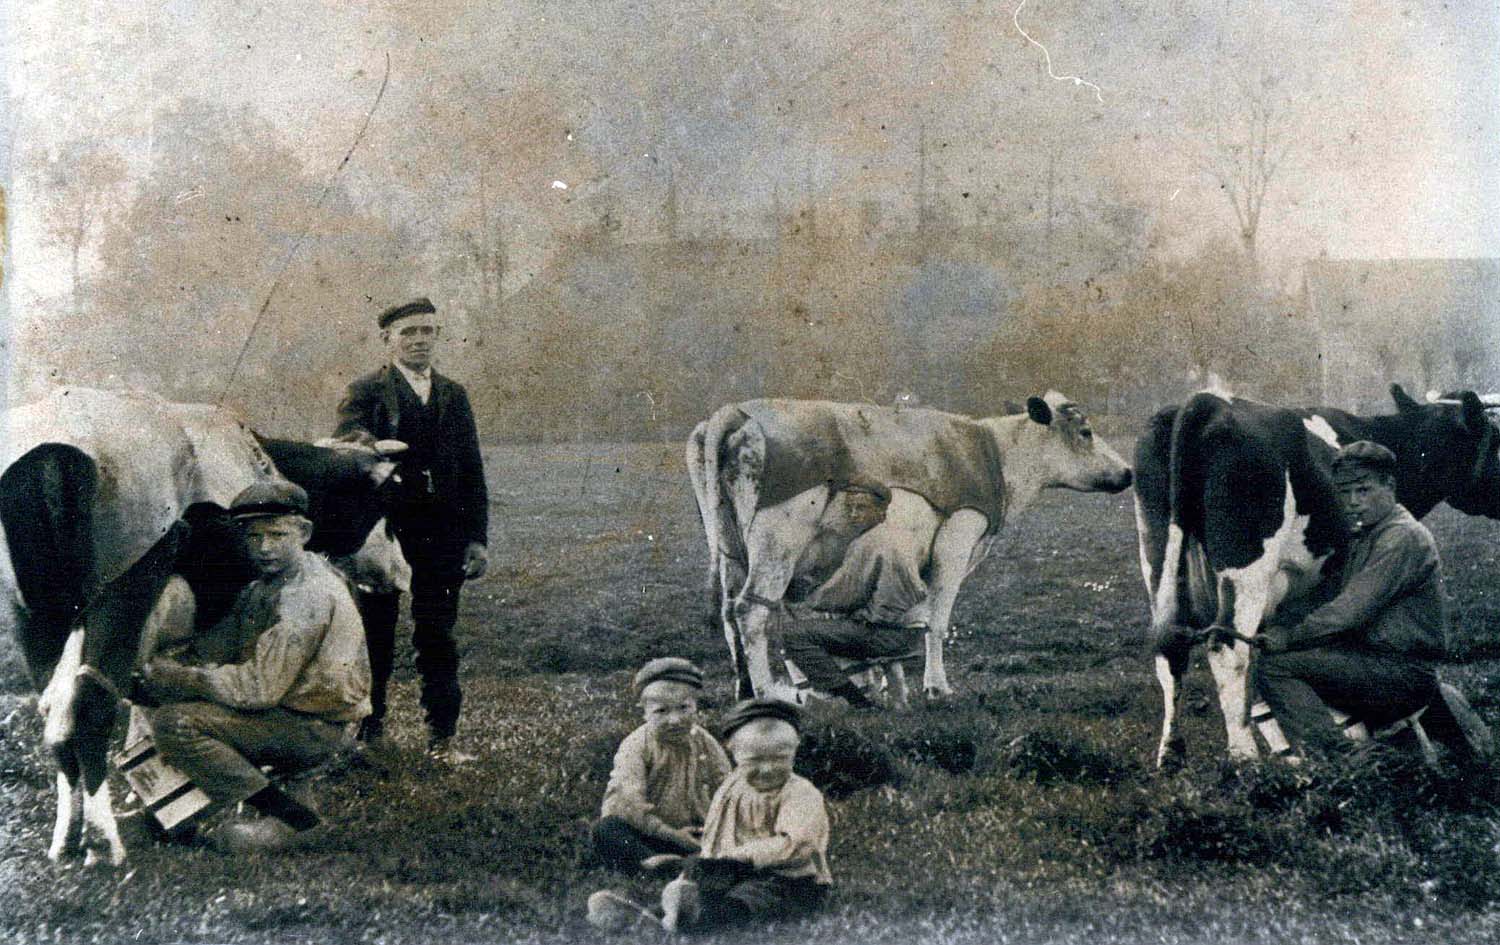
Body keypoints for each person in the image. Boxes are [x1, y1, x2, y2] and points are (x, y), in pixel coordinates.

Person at [137, 481, 372, 853]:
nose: (264, 548)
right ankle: (173, 814)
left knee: (176, 724)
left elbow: (259, 689)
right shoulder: (270, 584)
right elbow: (230, 646)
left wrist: (185, 678)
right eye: (253, 537)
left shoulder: (306, 597)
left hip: (312, 725)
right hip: (291, 712)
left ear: (304, 532)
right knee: (168, 706)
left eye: (278, 535)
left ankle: (293, 819)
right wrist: (170, 669)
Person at [1253, 441, 1490, 763]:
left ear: (1389, 486)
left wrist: (1289, 637)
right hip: (1378, 663)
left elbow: (1347, 612)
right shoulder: (1369, 535)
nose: (1352, 503)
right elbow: (1329, 595)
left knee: (1277, 668)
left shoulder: (1401, 538)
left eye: (1363, 491)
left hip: (1399, 673)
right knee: (1295, 657)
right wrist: (1276, 623)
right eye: (1345, 492)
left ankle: (1340, 759)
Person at [334, 297, 489, 762]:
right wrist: (372, 444)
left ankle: (443, 738)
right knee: (374, 635)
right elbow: (345, 442)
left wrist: (477, 537)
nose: (420, 340)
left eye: (428, 331)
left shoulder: (453, 394)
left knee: (438, 636)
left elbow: (471, 469)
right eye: (409, 333)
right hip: (383, 532)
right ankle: (369, 732)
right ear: (388, 340)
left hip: (442, 534)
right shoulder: (365, 391)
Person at [588, 698, 831, 934]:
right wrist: (708, 861)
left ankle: (700, 921)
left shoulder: (800, 794)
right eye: (754, 760)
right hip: (735, 867)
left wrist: (740, 857)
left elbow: (797, 846)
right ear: (733, 751)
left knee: (753, 896)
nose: (767, 768)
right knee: (701, 884)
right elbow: (718, 830)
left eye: (780, 758)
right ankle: (651, 915)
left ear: (794, 749)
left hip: (791, 877)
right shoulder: (732, 788)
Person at [783, 483, 937, 709]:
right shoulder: (903, 535)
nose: (854, 515)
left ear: (881, 511)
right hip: (913, 630)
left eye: (862, 508)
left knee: (793, 635)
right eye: (850, 508)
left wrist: (808, 594)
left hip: (886, 632)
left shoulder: (867, 543)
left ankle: (855, 701)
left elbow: (845, 593)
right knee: (840, 625)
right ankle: (887, 696)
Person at [592, 657, 732, 872]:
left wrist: (713, 828)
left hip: (698, 833)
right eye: (662, 711)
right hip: (654, 833)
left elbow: (726, 790)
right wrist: (673, 835)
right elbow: (630, 806)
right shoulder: (636, 745)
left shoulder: (705, 743)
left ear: (696, 707)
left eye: (683, 708)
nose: (674, 720)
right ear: (645, 712)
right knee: (607, 829)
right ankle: (659, 864)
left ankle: (690, 866)